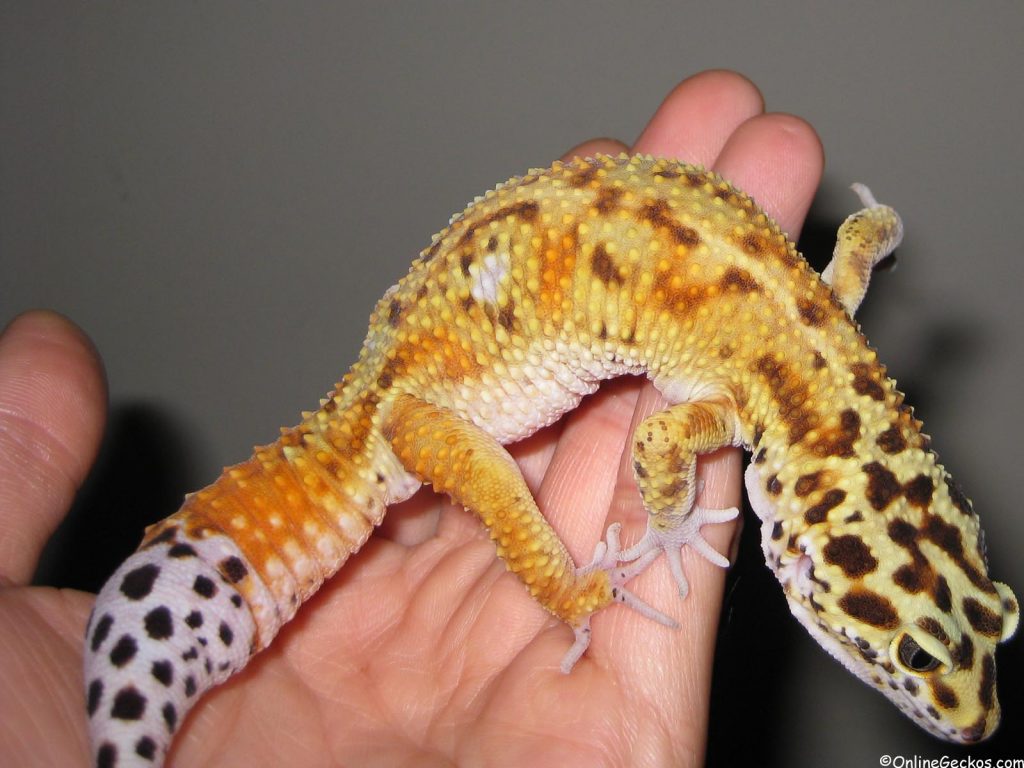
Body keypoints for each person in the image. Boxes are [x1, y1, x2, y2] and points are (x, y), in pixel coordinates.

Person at [0, 70, 824, 766]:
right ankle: (561, 597)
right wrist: (571, 594)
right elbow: (501, 496)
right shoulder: (402, 430)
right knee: (504, 496)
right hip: (410, 399)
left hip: (414, 367)